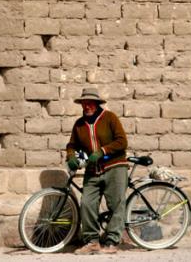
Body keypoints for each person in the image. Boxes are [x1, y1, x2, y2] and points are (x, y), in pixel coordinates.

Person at [66, 88, 128, 255]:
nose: (87, 106)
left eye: (90, 103)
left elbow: (122, 141)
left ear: (97, 103)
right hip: (92, 170)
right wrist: (71, 157)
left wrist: (102, 151)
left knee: (116, 204)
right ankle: (92, 241)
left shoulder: (110, 118)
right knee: (87, 203)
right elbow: (72, 145)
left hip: (115, 167)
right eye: (84, 103)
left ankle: (111, 242)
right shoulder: (79, 124)